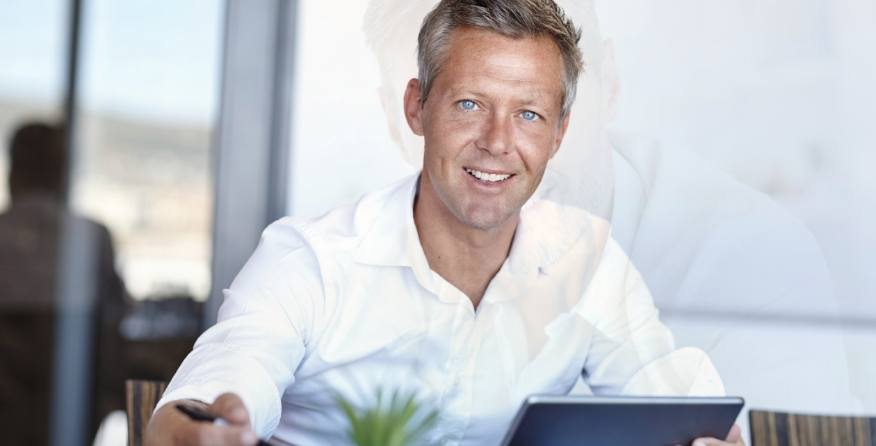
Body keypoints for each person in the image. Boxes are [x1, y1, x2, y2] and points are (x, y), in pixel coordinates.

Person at [145, 1, 742, 444]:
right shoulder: (310, 260)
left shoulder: (587, 261)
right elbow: (213, 390)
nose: (497, 143)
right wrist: (203, 429)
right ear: (416, 107)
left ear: (559, 134)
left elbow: (679, 402)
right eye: (469, 104)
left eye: (529, 115)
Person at [0, 122, 128, 445]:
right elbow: (114, 321)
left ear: (14, 171)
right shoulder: (90, 237)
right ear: (61, 172)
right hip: (69, 404)